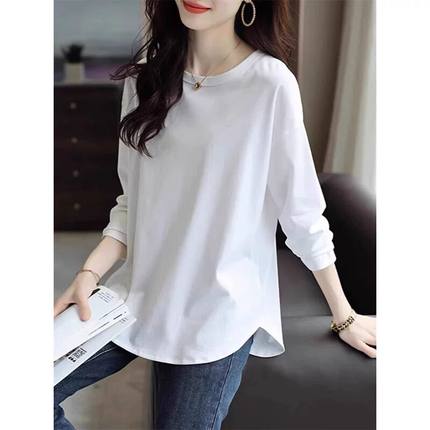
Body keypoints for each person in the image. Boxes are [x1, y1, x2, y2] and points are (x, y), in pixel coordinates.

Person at [53, 1, 377, 429]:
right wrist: (89, 274)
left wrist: (345, 315)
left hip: (217, 314)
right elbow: (132, 203)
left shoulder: (269, 84)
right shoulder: (144, 78)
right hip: (138, 295)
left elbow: (302, 215)